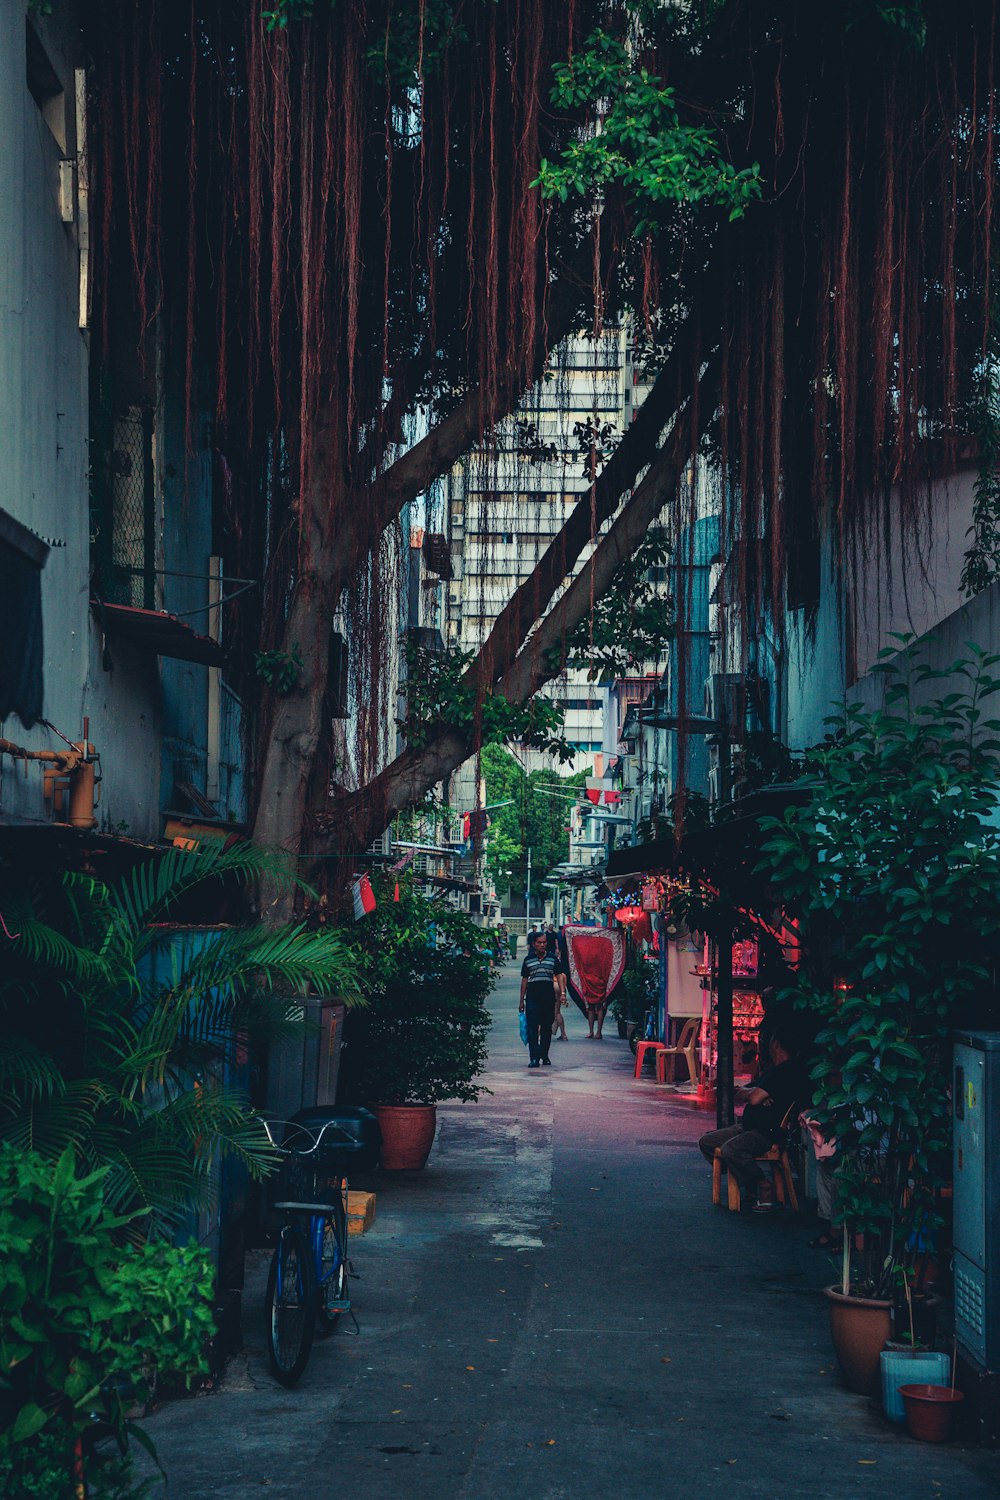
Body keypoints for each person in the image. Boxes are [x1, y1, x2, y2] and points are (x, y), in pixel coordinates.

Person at [698, 1031, 806, 1210]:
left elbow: (753, 1097)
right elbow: (748, 1093)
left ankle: (763, 1186)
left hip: (767, 1131)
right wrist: (755, 1092)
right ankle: (746, 1179)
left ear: (776, 1045)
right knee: (707, 1142)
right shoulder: (773, 1071)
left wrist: (754, 1094)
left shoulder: (784, 1071)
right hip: (750, 1126)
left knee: (731, 1149)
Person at [519, 931, 566, 1068]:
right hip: (532, 998)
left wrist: (562, 993)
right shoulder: (528, 960)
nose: (542, 945)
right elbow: (524, 980)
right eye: (539, 943)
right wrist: (521, 1000)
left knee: (546, 1029)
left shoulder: (552, 959)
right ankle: (534, 1058)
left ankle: (544, 1055)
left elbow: (560, 975)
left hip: (548, 998)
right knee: (532, 1029)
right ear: (534, 944)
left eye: (544, 942)